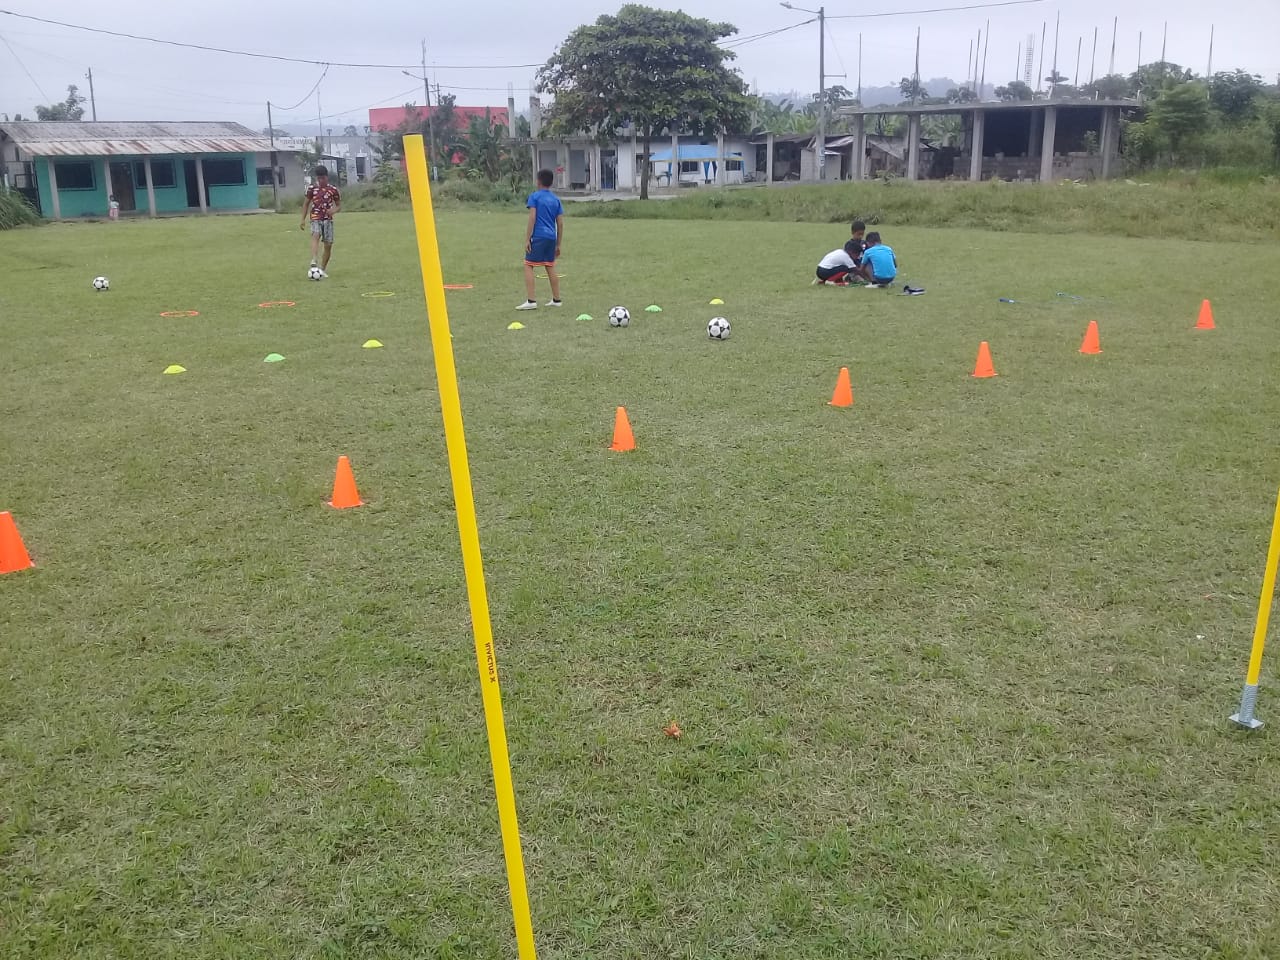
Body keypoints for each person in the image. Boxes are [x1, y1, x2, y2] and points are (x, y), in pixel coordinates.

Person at [517, 169, 564, 310]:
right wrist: (558, 244)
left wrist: (527, 239)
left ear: (538, 181)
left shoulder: (535, 197)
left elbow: (532, 217)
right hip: (551, 237)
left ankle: (531, 301)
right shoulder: (556, 200)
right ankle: (556, 299)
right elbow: (560, 223)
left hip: (538, 236)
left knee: (528, 265)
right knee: (550, 265)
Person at [300, 165, 340, 277]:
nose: (321, 180)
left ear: (327, 177)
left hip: (328, 220)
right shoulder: (312, 189)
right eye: (319, 178)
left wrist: (333, 211)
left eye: (323, 178)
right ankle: (314, 260)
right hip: (315, 217)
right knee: (315, 234)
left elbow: (338, 206)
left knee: (328, 245)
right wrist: (302, 219)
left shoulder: (333, 190)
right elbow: (306, 204)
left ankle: (322, 269)